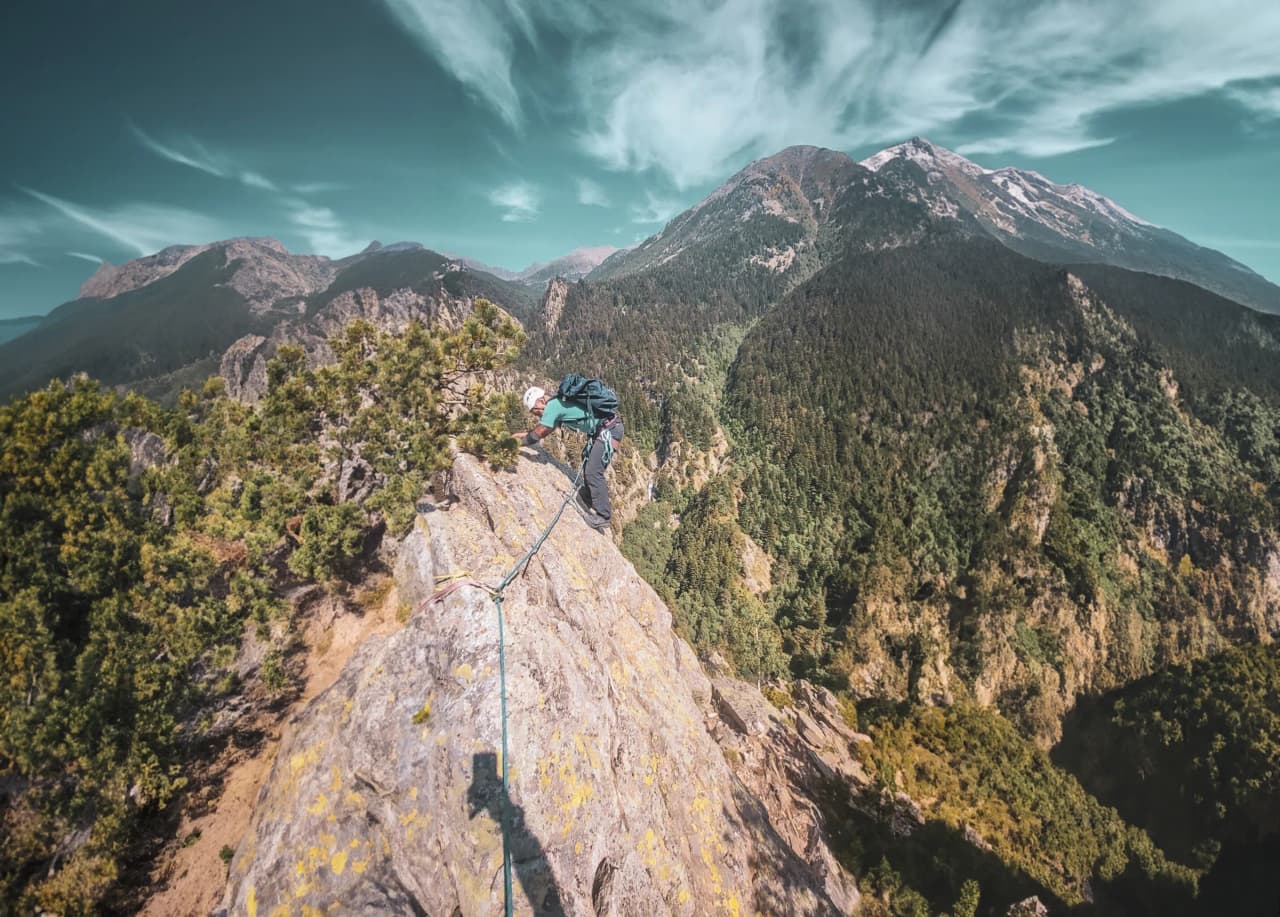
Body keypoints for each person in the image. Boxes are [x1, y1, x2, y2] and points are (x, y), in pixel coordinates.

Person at [517, 384, 624, 532]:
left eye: (535, 412)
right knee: (587, 462)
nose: (537, 416)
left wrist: (515, 443)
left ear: (540, 402)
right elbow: (544, 430)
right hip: (607, 428)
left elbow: (537, 434)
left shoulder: (553, 406)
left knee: (593, 471)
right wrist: (517, 437)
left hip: (608, 431)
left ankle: (603, 516)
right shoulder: (557, 402)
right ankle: (588, 496)